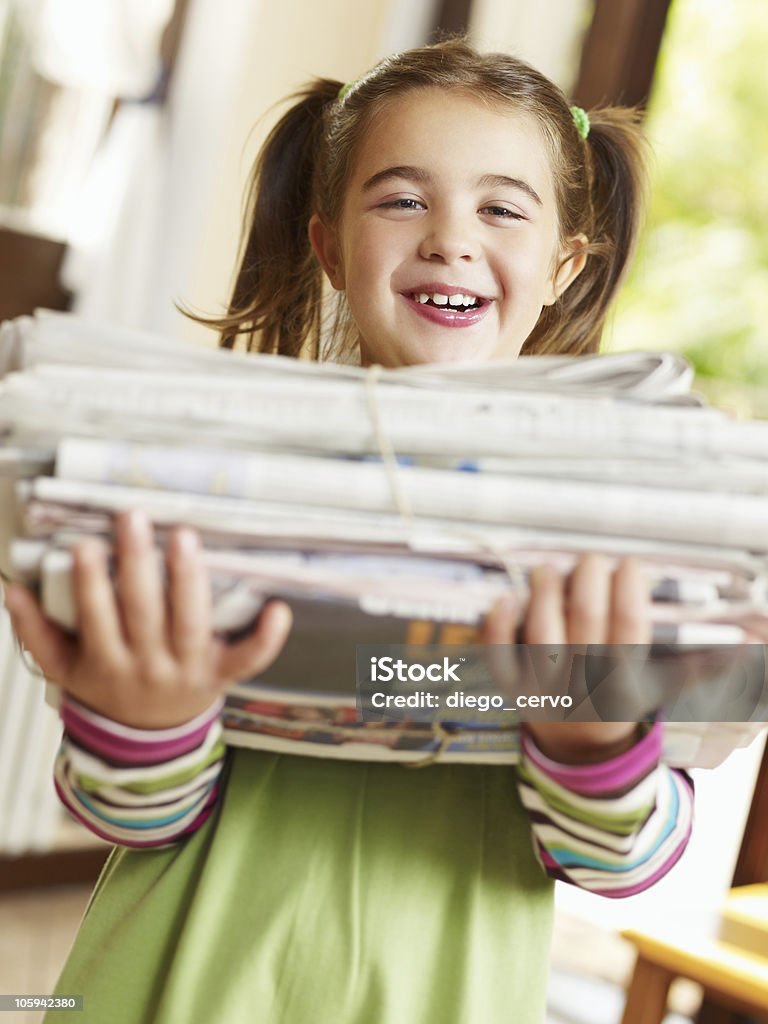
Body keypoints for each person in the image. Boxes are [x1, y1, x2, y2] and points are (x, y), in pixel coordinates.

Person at [4, 38, 695, 1024]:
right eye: (403, 199)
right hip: (178, 989)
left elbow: (632, 860)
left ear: (562, 266)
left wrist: (592, 736)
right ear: (330, 245)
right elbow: (122, 812)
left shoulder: (602, 530)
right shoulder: (220, 491)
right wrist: (144, 719)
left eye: (501, 208)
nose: (451, 239)